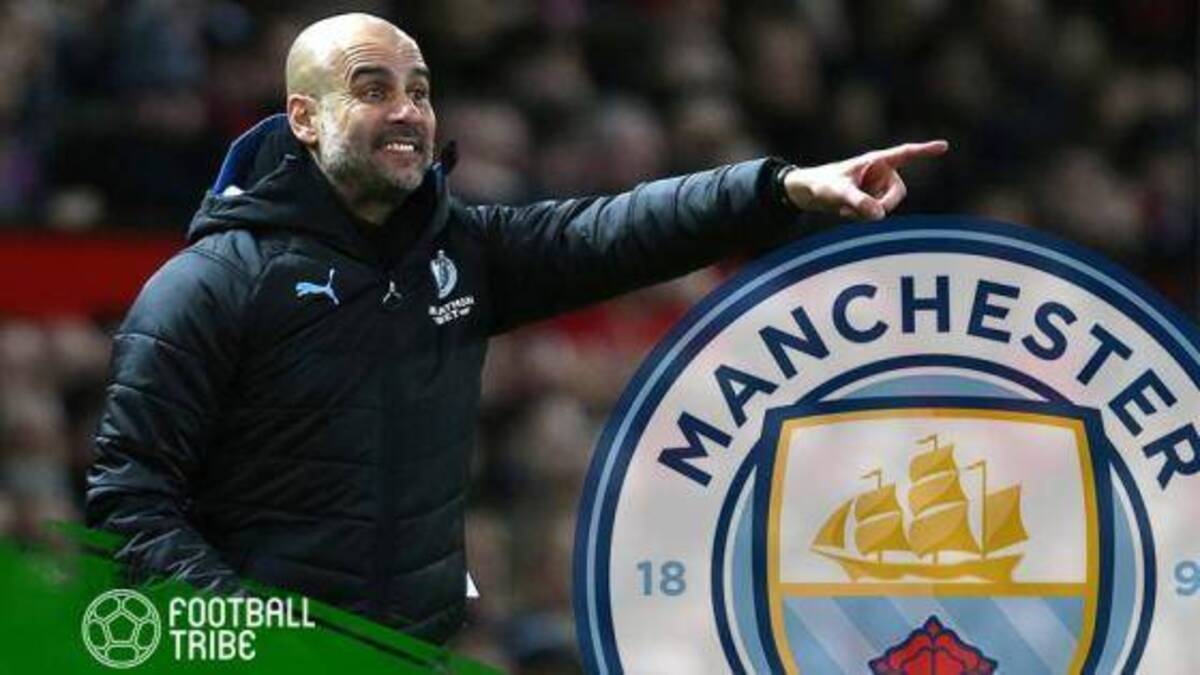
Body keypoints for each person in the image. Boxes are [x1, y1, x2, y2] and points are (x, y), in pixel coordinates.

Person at [85, 13, 947, 644]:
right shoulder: (212, 284)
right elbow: (130, 503)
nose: (408, 111)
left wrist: (782, 188)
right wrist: (255, 635)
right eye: (373, 89)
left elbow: (620, 229)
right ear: (304, 119)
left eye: (420, 91)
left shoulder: (461, 250)